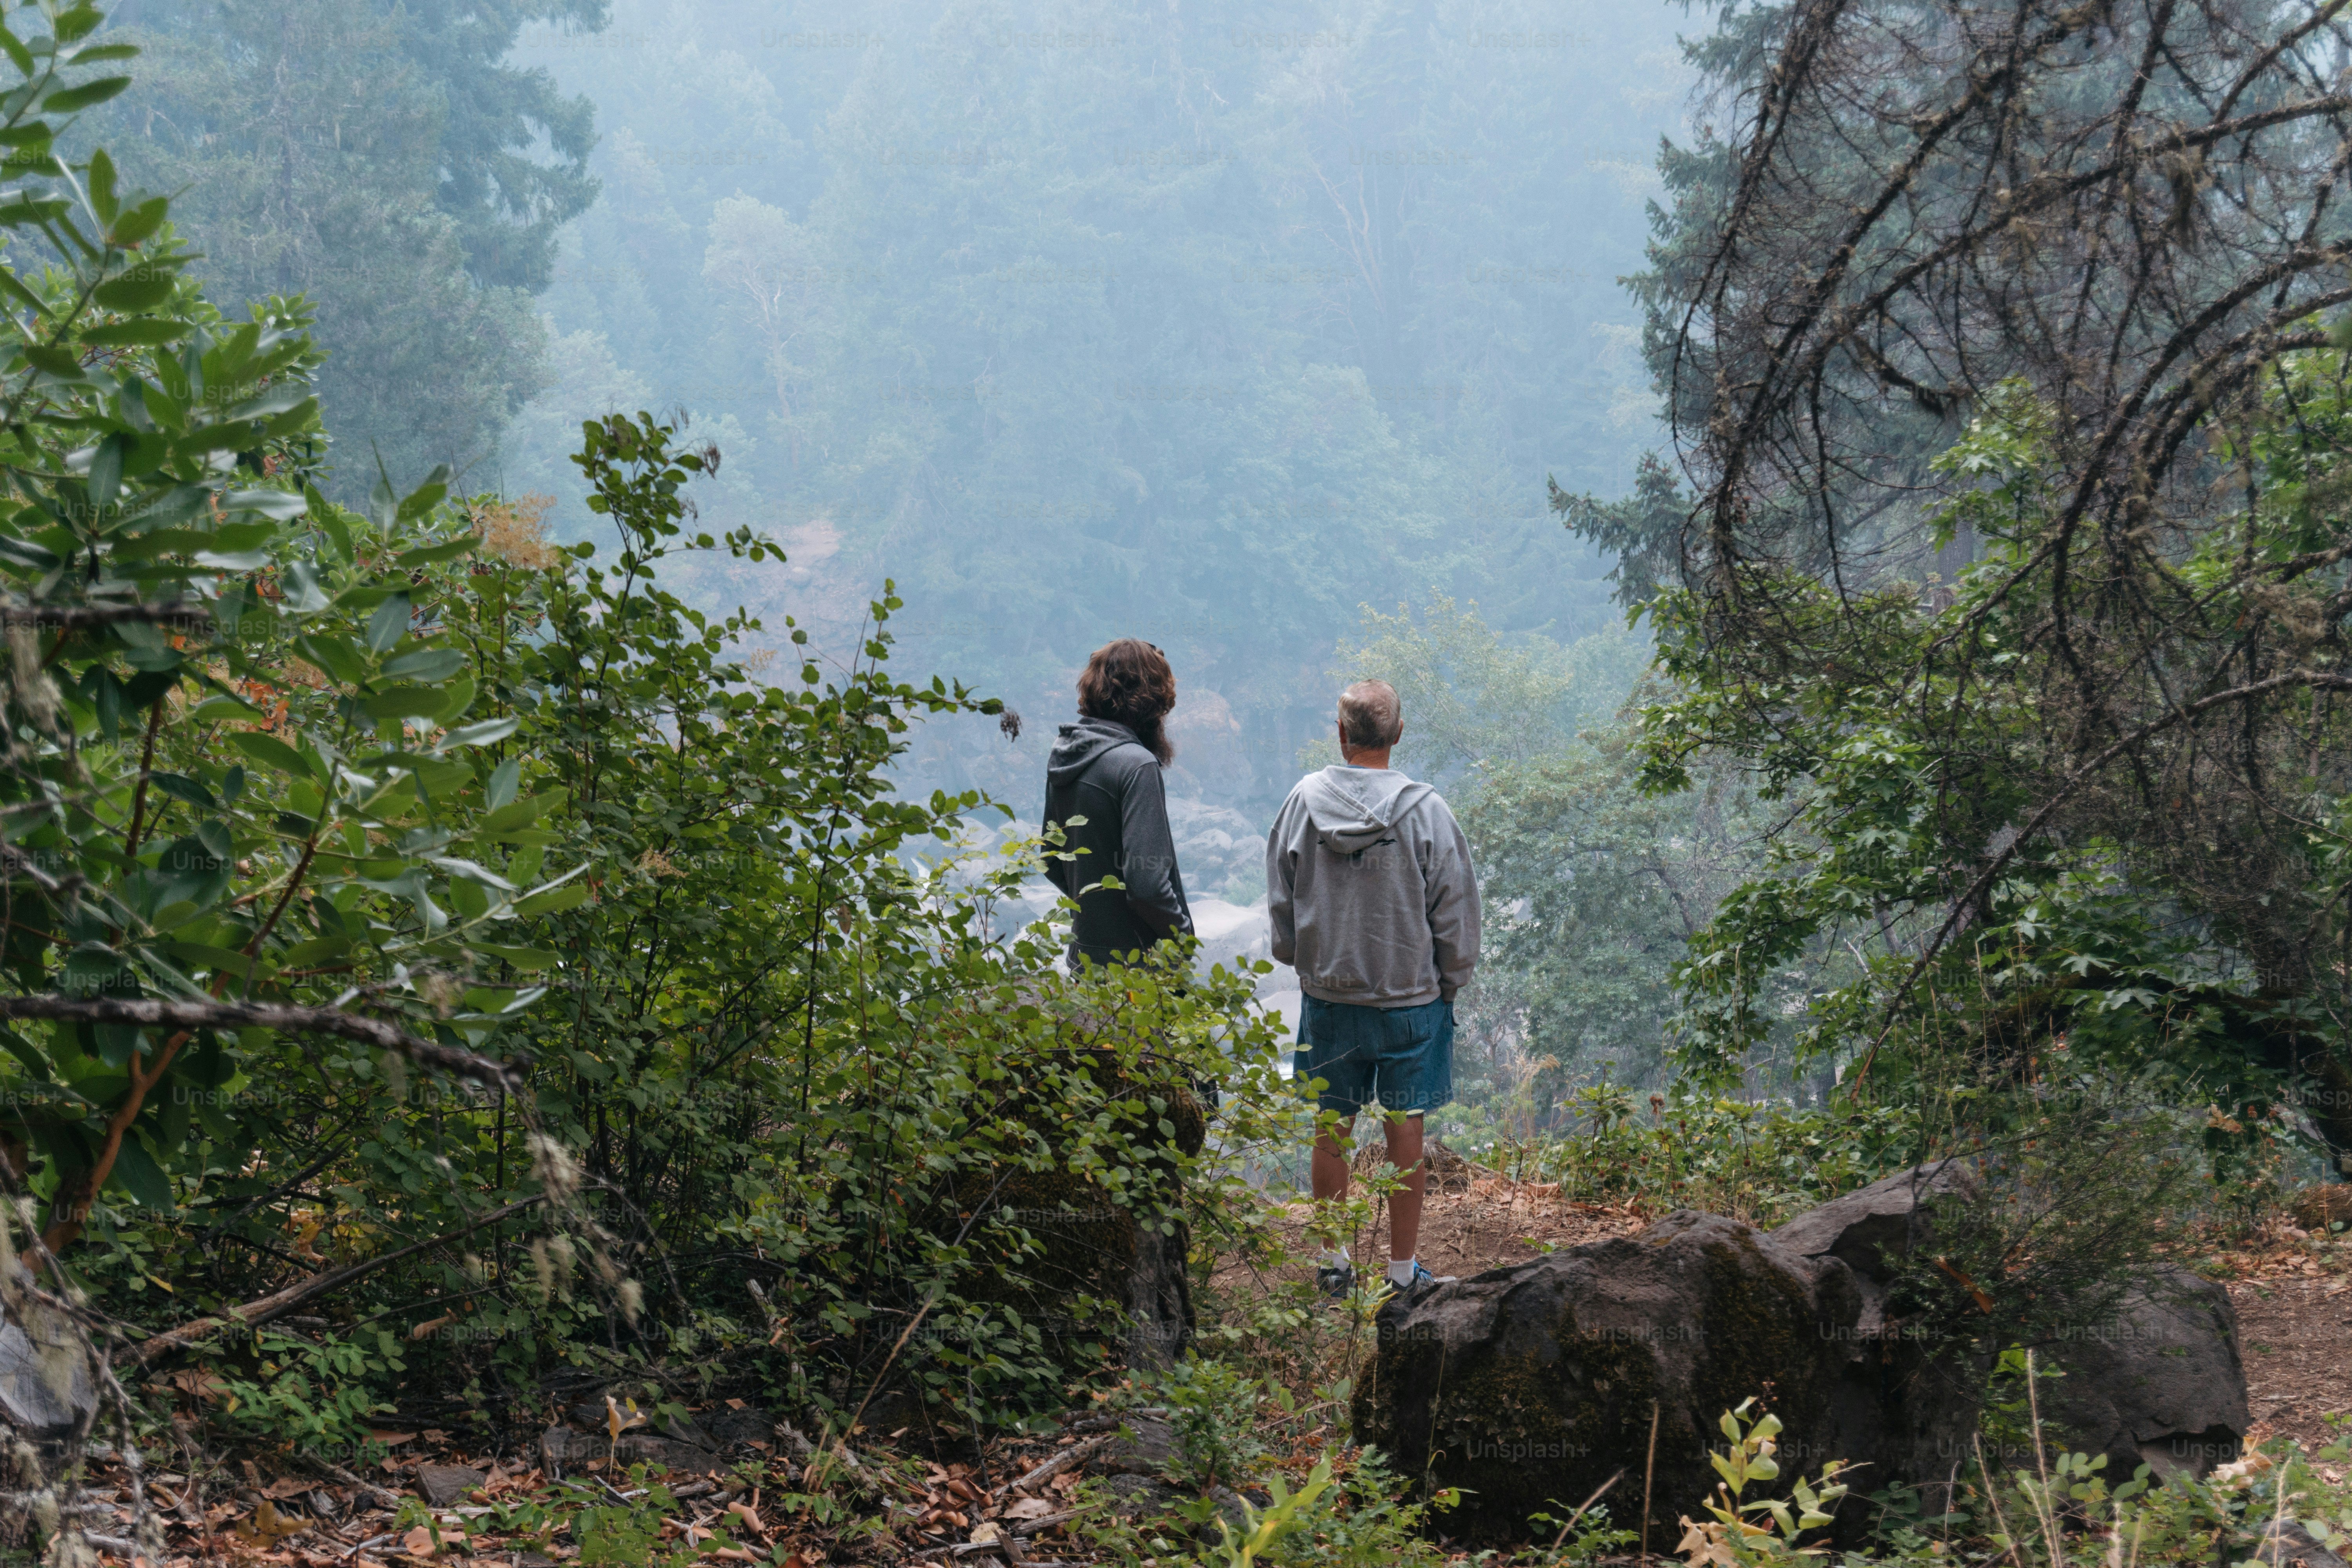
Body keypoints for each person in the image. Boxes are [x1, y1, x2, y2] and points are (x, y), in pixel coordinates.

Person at [1266, 678, 1480, 1299]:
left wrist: (1298, 956)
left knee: (1331, 1124)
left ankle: (1334, 1265)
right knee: (1404, 1128)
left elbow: (1282, 894)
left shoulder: (1302, 803)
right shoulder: (1427, 811)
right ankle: (1401, 1273)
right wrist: (1452, 979)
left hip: (1330, 996)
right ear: (1398, 733)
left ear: (1341, 734)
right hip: (1409, 1000)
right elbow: (1455, 906)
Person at [1044, 639, 1194, 968]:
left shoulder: (1067, 753)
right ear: (1153, 701)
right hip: (1138, 969)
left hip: (1085, 958)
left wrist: (1095, 912)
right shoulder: (1137, 766)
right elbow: (1147, 884)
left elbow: (1051, 858)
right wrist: (1183, 937)